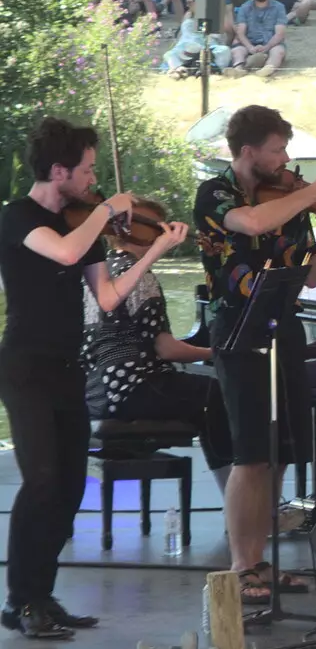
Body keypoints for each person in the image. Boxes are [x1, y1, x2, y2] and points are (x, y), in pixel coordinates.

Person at [1, 120, 187, 638]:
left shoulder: (85, 226)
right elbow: (61, 252)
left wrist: (153, 251)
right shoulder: (19, 217)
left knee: (69, 486)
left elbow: (106, 299)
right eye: (86, 169)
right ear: (58, 171)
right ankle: (20, 601)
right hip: (24, 367)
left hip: (67, 368)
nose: (93, 178)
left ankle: (43, 595)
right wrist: (107, 210)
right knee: (40, 480)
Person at [194, 106, 316, 605]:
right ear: (248, 151)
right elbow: (250, 223)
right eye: (277, 150)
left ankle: (260, 561)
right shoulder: (217, 192)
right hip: (238, 330)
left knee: (275, 457)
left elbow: (311, 275)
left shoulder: (292, 201)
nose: (286, 159)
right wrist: (313, 191)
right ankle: (240, 565)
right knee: (249, 455)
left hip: (282, 326)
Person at [82, 199, 232, 494]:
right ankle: (234, 494)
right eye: (154, 225)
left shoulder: (100, 269)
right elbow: (167, 350)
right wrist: (216, 353)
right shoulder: (141, 277)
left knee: (197, 394)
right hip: (131, 388)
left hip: (95, 391)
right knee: (216, 394)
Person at [228, 0, 289, 77]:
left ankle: (267, 69)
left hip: (271, 44)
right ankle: (238, 69)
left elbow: (280, 34)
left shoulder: (279, 7)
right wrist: (250, 47)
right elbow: (240, 33)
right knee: (237, 50)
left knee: (279, 51)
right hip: (249, 43)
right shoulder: (245, 7)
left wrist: (267, 47)